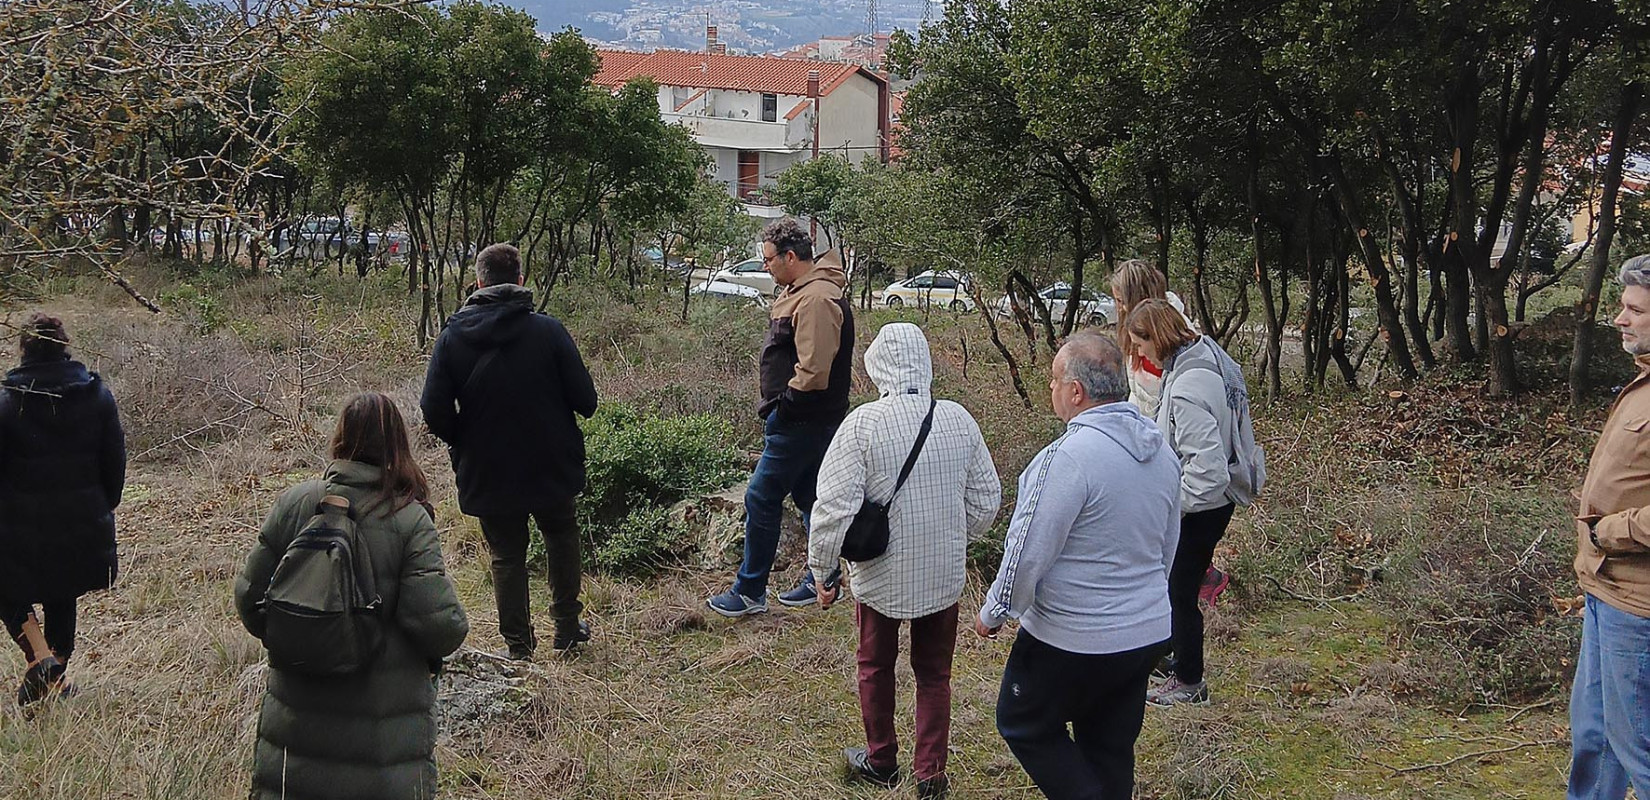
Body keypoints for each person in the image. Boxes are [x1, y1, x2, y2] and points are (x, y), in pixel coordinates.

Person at [234, 392, 469, 800]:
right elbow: (439, 627)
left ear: (340, 437)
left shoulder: (294, 503)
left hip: (293, 737)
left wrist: (303, 638)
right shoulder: (409, 519)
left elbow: (249, 599)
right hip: (382, 748)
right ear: (399, 442)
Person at [976, 331, 1180, 800]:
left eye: (1053, 380)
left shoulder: (1066, 459)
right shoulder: (1161, 452)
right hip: (1144, 632)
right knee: (1108, 743)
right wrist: (1147, 602)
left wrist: (995, 612)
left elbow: (1028, 548)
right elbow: (1167, 546)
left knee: (1022, 720)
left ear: (1075, 391)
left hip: (1071, 636)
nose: (1050, 390)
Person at [807, 323, 1001, 799]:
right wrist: (957, 537)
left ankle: (880, 759)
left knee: (875, 664)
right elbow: (987, 500)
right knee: (935, 673)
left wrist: (822, 569)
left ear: (877, 366)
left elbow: (833, 508)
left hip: (880, 574)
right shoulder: (958, 419)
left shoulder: (863, 424)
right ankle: (931, 774)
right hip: (942, 575)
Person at [421, 243, 598, 658]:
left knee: (505, 554)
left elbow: (433, 410)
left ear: (478, 282)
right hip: (551, 461)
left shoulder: (451, 338)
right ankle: (568, 628)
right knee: (561, 536)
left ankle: (518, 647)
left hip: (487, 467)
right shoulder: (549, 331)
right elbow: (586, 401)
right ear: (521, 280)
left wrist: (464, 440)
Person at [707, 218, 855, 617]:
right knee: (810, 497)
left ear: (791, 257)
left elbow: (815, 369)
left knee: (761, 495)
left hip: (803, 419)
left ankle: (750, 590)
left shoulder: (817, 299)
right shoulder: (800, 292)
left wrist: (784, 406)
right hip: (804, 418)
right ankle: (822, 579)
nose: (766, 266)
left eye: (769, 259)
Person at [1126, 299, 1262, 707]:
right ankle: (1176, 660)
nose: (1138, 354)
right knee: (1176, 586)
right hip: (1210, 504)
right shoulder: (1203, 355)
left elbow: (1208, 472)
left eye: (1140, 344)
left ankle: (1189, 682)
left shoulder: (1186, 389)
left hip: (1202, 507)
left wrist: (1169, 505)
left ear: (1158, 336)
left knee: (1179, 590)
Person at [0, 313, 126, 705]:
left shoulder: (6, 403)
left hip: (19, 524)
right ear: (65, 345)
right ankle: (54, 667)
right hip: (82, 518)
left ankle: (41, 658)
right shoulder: (97, 396)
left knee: (6, 586)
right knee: (62, 590)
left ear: (23, 351)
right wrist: (101, 506)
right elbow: (115, 463)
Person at [1567, 253, 1650, 799]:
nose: (1619, 319)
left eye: (1634, 309)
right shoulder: (1642, 383)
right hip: (1605, 592)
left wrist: (1607, 532)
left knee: (1638, 749)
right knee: (1594, 739)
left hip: (1639, 607)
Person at [1110, 260, 1228, 607]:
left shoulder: (1172, 362)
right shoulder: (1149, 334)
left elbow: (1166, 410)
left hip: (1168, 454)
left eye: (1119, 299)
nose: (1116, 307)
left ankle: (1196, 580)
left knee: (1174, 574)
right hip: (1156, 444)